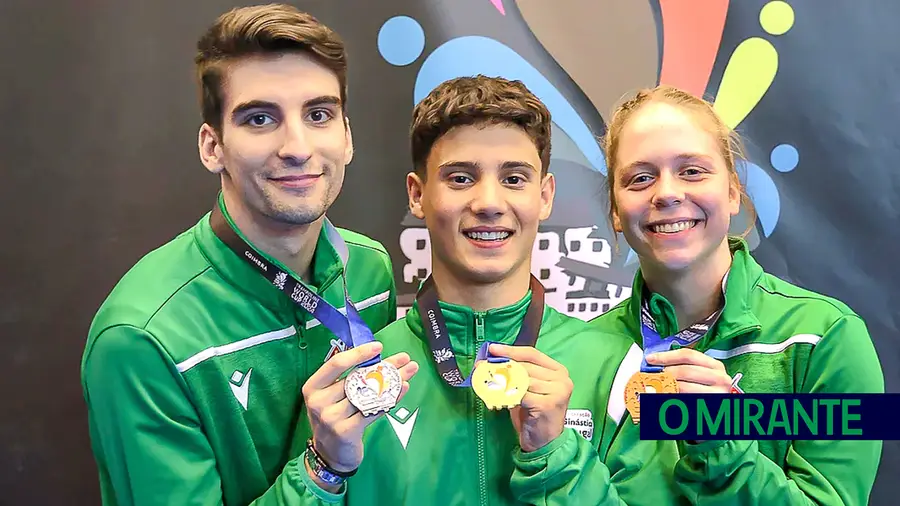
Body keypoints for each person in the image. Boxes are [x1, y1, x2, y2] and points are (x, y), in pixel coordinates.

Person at [80, 5, 417, 505]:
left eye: (319, 115)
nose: (297, 147)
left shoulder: (368, 269)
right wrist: (321, 470)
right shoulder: (143, 338)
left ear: (346, 136)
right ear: (212, 146)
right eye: (260, 119)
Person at [297, 75, 680, 505]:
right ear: (418, 194)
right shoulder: (355, 378)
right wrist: (323, 471)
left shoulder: (620, 372)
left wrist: (557, 455)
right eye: (460, 179)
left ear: (545, 195)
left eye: (515, 179)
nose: (489, 202)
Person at [591, 85, 884, 505]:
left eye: (692, 170)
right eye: (640, 177)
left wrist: (721, 440)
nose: (667, 193)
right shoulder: (585, 350)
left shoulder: (829, 337)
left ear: (732, 192)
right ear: (616, 212)